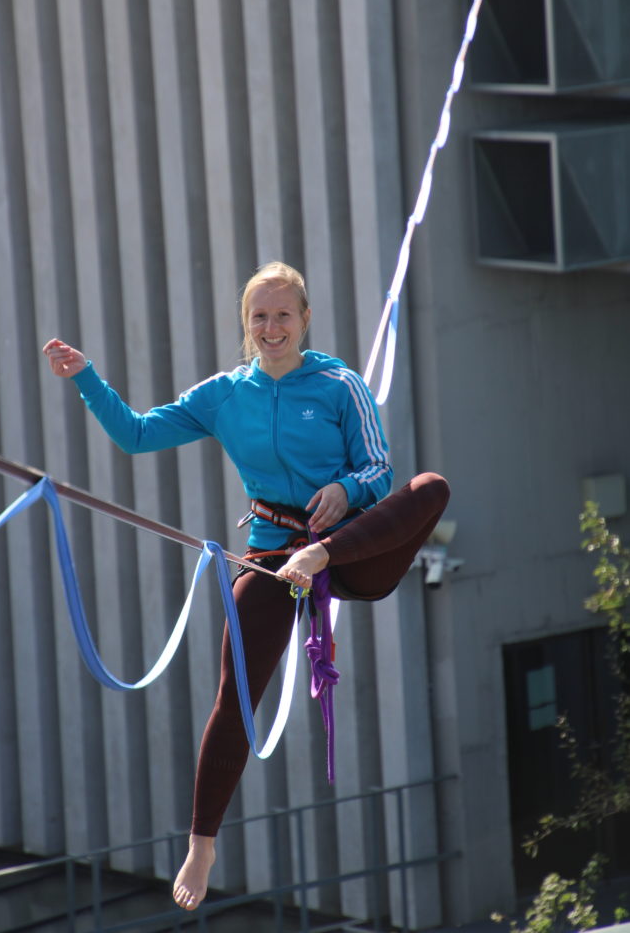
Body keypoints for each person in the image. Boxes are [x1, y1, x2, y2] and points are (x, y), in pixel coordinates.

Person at [42, 260, 450, 911]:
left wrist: (344, 490)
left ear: (305, 318)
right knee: (233, 696)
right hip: (272, 555)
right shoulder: (225, 395)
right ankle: (202, 842)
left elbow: (379, 467)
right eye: (258, 316)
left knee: (430, 488)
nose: (271, 327)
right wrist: (85, 377)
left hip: (347, 547)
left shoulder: (340, 384)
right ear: (245, 324)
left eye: (283, 314)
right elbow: (137, 434)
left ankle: (320, 554)